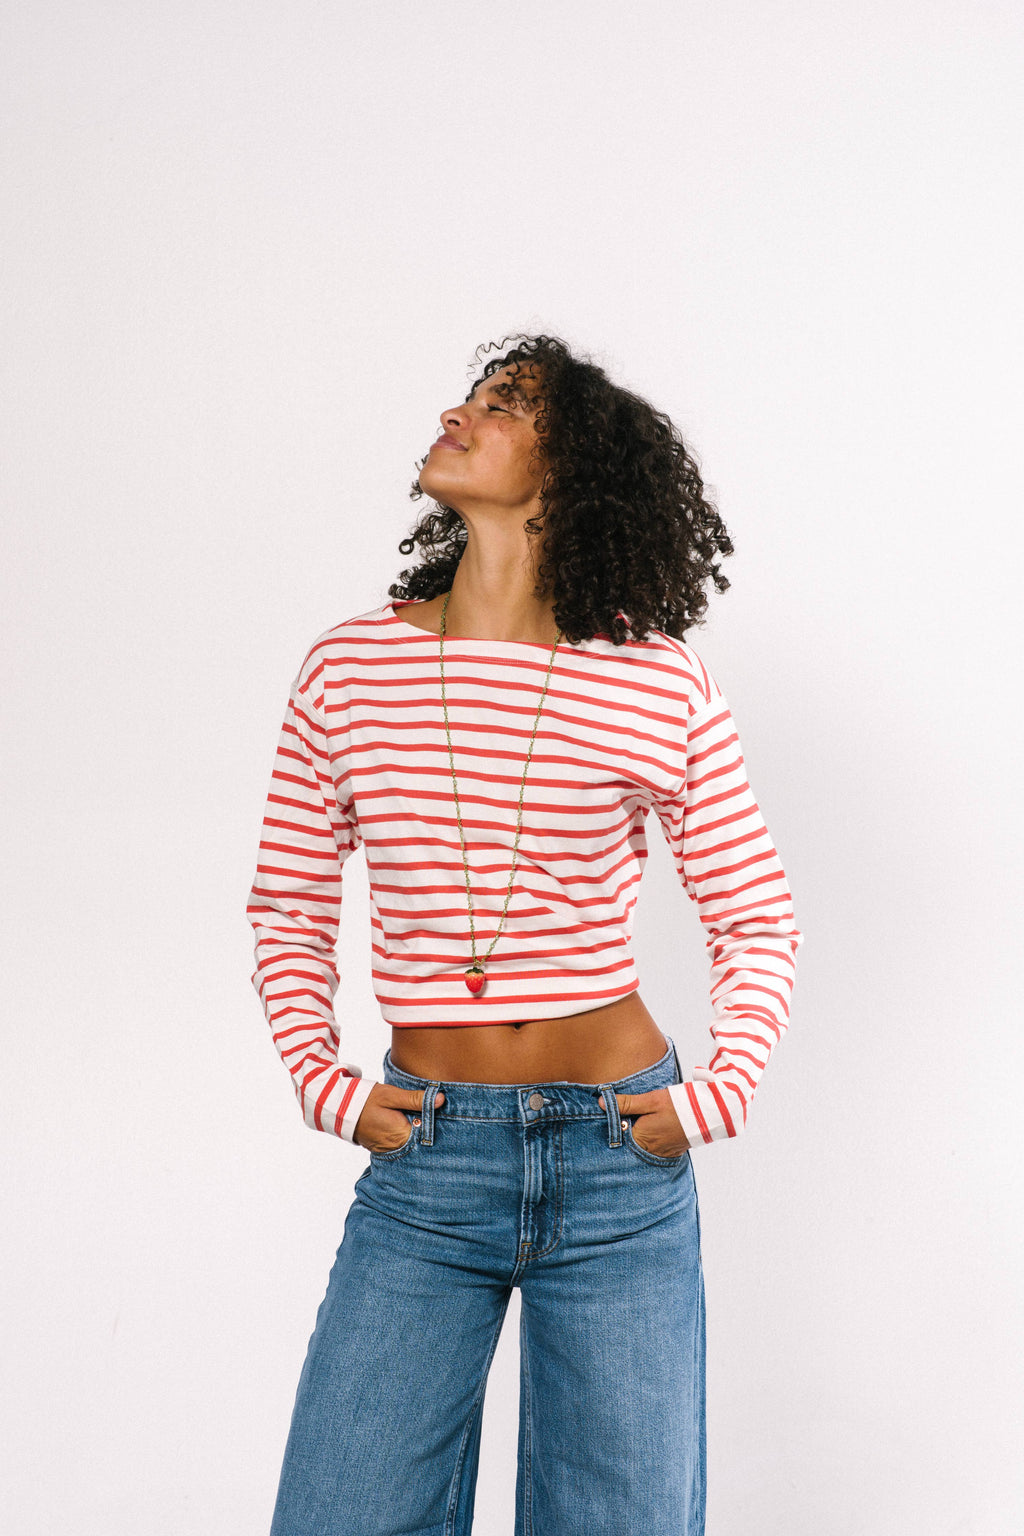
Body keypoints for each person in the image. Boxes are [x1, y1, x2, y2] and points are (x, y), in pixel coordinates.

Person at [247, 333, 803, 1536]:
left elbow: (754, 914)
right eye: (471, 394)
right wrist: (322, 1081)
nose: (458, 411)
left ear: (570, 468)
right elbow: (288, 906)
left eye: (500, 405)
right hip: (427, 1162)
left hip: (620, 1157)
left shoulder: (653, 680)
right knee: (342, 1511)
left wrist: (718, 1092)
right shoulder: (348, 671)